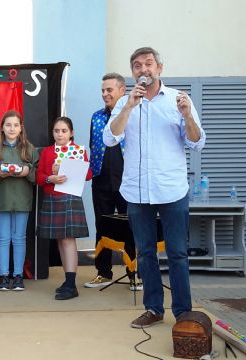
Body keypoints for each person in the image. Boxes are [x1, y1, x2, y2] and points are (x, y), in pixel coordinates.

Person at [104, 47, 206, 328]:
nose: (143, 69)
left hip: (171, 188)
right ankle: (153, 309)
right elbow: (110, 139)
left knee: (177, 252)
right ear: (133, 72)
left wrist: (187, 116)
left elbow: (197, 142)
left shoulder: (178, 100)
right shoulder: (126, 102)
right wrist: (127, 106)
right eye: (137, 66)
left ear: (160, 68)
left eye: (148, 64)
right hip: (137, 190)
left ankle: (183, 312)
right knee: (145, 251)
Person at [0, 110, 39, 291]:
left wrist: (27, 171)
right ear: (2, 128)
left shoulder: (29, 149)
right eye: (8, 125)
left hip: (22, 200)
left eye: (15, 125)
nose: (12, 128)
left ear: (21, 128)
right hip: (1, 200)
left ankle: (18, 275)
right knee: (3, 238)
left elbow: (38, 175)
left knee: (19, 238)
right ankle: (4, 275)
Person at [36, 117, 92, 300]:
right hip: (53, 197)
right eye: (56, 131)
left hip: (69, 198)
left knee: (68, 240)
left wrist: (70, 168)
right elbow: (39, 176)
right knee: (61, 240)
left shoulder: (78, 150)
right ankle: (68, 280)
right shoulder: (47, 152)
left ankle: (71, 283)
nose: (59, 134)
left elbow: (89, 174)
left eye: (64, 131)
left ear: (71, 133)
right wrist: (49, 178)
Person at [84, 72, 129, 289]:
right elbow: (94, 146)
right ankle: (103, 273)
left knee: (132, 227)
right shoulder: (96, 116)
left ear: (122, 91)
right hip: (101, 180)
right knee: (102, 226)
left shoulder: (134, 114)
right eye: (103, 90)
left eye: (109, 90)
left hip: (128, 182)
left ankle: (134, 274)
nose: (105, 94)